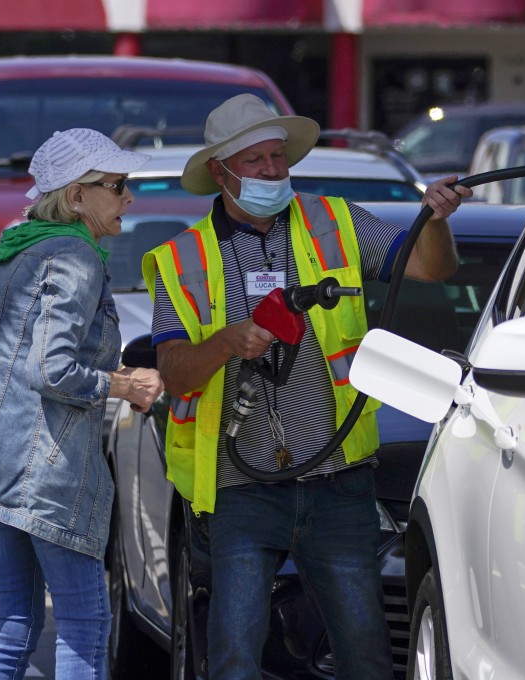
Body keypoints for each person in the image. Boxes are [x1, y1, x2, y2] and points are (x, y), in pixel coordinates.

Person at [142, 94, 470, 679]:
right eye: (256, 161)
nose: (273, 171)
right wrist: (225, 343)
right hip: (240, 488)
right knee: (235, 656)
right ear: (219, 172)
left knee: (365, 653)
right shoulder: (182, 257)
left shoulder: (334, 221)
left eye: (279, 157)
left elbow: (431, 268)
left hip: (337, 483)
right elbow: (173, 372)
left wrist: (436, 220)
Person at [0, 127, 165, 679]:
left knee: (12, 625)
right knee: (84, 622)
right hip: (50, 472)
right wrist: (124, 384)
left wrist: (5, 401)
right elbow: (52, 369)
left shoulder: (9, 253)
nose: (128, 198)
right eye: (116, 186)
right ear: (76, 196)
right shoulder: (76, 257)